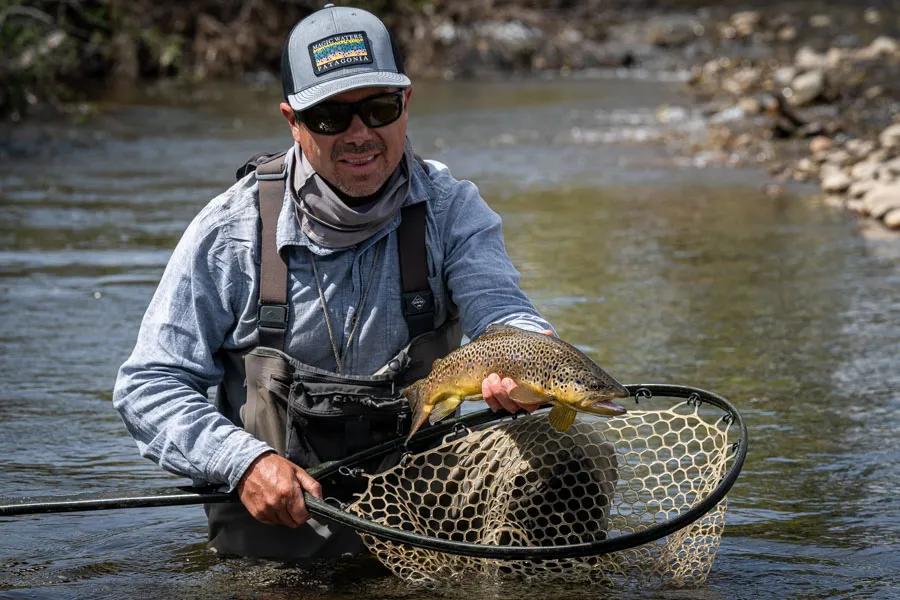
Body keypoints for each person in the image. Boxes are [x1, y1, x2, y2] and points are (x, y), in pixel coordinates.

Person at [113, 3, 553, 560]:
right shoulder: (230, 231)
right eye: (329, 117)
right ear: (292, 121)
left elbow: (504, 314)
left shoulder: (451, 210)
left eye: (377, 108)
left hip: (423, 509)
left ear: (406, 104)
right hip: (277, 528)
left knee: (565, 453)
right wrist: (243, 462)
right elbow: (149, 383)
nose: (359, 134)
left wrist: (528, 367)